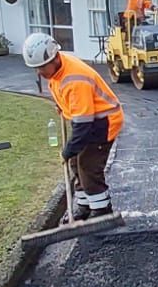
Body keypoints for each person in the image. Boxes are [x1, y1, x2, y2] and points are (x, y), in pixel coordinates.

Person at [23, 32, 124, 220]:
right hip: (89, 120)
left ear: (53, 58)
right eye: (36, 68)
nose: (39, 72)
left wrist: (68, 150)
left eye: (41, 67)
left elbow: (83, 126)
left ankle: (102, 210)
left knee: (88, 164)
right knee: (76, 162)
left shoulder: (75, 78)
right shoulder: (58, 69)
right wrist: (62, 105)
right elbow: (70, 101)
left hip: (103, 122)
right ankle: (84, 205)